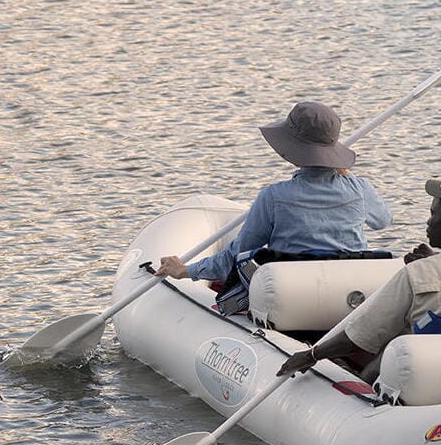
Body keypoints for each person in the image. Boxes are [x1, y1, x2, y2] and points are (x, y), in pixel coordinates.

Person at [277, 175, 441, 379]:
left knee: (388, 351)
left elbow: (358, 337)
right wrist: (433, 263)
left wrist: (311, 355)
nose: (428, 222)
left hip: (424, 379)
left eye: (433, 213)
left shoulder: (416, 274)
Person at [156, 101, 392, 303]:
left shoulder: (274, 197)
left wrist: (186, 271)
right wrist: (346, 175)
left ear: (291, 147)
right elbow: (383, 220)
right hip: (348, 298)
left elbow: (239, 254)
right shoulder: (359, 189)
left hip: (295, 300)